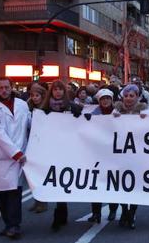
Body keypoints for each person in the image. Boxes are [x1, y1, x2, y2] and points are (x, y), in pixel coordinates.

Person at [0, 77, 31, 239]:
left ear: (12, 87)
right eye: (1, 87)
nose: (4, 90)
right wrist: (15, 153)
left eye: (7, 87)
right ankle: (8, 224)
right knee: (2, 194)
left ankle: (14, 226)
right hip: (1, 156)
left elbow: (30, 123)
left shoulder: (22, 105)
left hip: (19, 156)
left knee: (14, 192)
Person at [40, 80, 85, 232]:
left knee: (65, 180)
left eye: (60, 89)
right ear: (51, 92)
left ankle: (60, 213)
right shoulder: (45, 109)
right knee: (56, 181)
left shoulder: (73, 107)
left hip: (69, 151)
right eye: (55, 89)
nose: (58, 92)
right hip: (52, 151)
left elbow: (83, 123)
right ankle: (60, 213)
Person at [113, 84, 148, 229]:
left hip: (138, 156)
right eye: (126, 96)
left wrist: (146, 118)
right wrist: (113, 117)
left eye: (131, 96)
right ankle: (125, 211)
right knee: (121, 185)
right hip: (120, 155)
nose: (128, 98)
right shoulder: (117, 110)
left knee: (136, 185)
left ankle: (132, 212)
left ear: (137, 97)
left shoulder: (145, 111)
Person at [87, 89, 119, 223]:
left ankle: (113, 210)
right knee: (96, 184)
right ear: (99, 101)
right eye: (103, 99)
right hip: (97, 155)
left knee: (113, 183)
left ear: (111, 100)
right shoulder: (92, 115)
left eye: (107, 98)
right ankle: (96, 213)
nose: (105, 101)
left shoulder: (118, 114)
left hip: (114, 155)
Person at [25, 84, 48, 214]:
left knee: (42, 174)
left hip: (43, 144)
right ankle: (37, 200)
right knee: (33, 174)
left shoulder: (46, 108)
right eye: (32, 95)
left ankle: (42, 202)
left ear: (42, 96)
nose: (34, 98)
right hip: (31, 143)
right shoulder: (28, 107)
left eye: (37, 95)